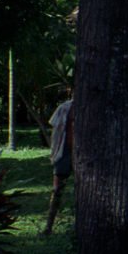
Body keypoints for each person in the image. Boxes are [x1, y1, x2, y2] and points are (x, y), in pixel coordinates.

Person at [43, 98, 73, 236]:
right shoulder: (65, 108)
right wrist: (55, 154)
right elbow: (56, 133)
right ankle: (48, 226)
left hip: (86, 154)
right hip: (65, 152)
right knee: (56, 191)